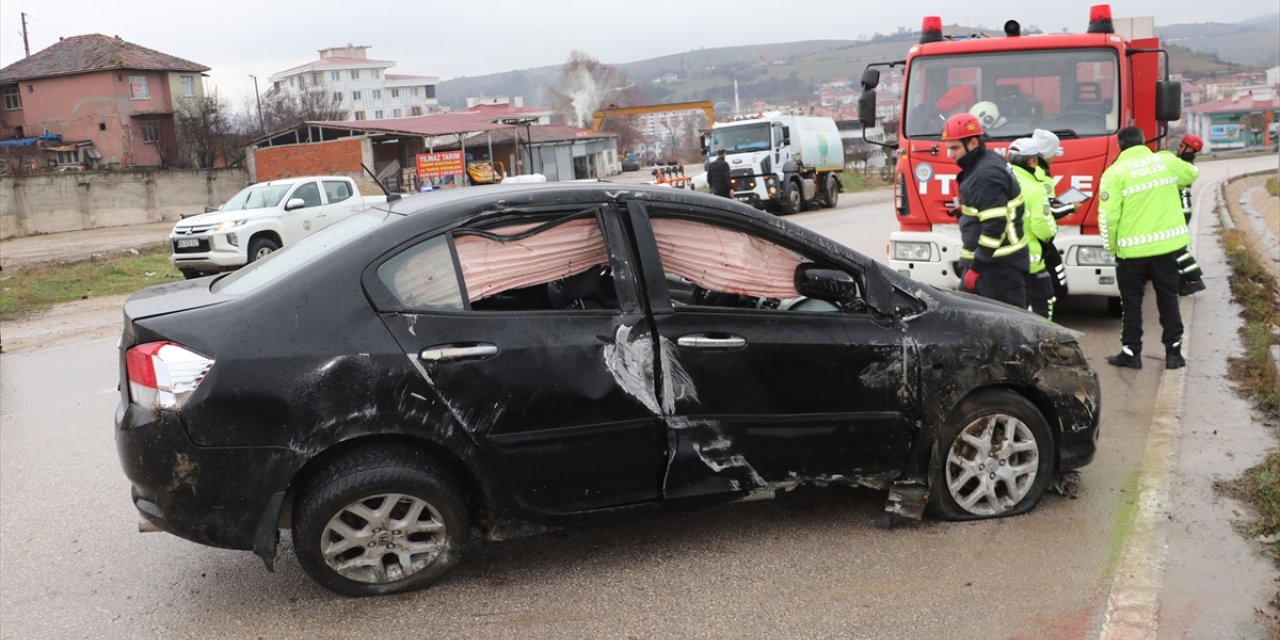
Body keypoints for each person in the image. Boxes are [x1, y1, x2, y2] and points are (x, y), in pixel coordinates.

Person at [1100, 126, 1200, 370]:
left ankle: (1131, 353)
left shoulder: (1114, 173)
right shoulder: (1165, 161)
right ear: (1144, 141)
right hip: (1165, 250)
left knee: (1131, 303)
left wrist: (1110, 246)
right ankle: (1174, 354)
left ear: (1120, 146)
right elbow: (1191, 173)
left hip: (1131, 254)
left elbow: (1108, 216)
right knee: (1168, 300)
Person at [941, 112, 1028, 308]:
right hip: (995, 263)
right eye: (948, 148)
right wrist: (967, 210)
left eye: (954, 148)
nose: (950, 154)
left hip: (997, 267)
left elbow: (995, 225)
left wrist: (976, 268)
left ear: (972, 143)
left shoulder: (984, 175)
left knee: (1008, 328)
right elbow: (991, 206)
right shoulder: (986, 162)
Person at [1007, 138, 1057, 319]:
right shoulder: (1035, 189)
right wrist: (1051, 232)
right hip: (1031, 261)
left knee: (1009, 309)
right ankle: (1042, 345)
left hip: (1001, 259)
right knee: (1044, 303)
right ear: (1032, 161)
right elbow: (1042, 227)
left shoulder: (999, 180)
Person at [1031, 129, 1071, 300]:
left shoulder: (1026, 170)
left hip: (1026, 236)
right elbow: (1049, 212)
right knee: (1057, 285)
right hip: (1040, 239)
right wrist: (1070, 207)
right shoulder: (1042, 176)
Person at [1171, 134, 1206, 295]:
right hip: (1179, 210)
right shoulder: (1182, 164)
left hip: (1180, 211)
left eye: (1181, 145)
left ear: (1189, 149)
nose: (1178, 148)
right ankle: (1183, 280)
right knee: (1175, 247)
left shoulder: (1185, 167)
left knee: (1176, 248)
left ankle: (1195, 278)